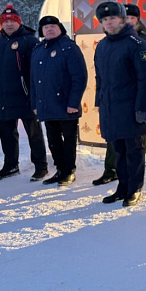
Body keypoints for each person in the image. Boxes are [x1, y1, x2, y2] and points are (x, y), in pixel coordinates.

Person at [92, 3, 146, 186]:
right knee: (118, 150)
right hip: (110, 108)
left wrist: (142, 109)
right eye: (105, 19)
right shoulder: (102, 45)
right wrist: (99, 102)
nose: (109, 22)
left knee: (134, 151)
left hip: (131, 108)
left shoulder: (137, 44)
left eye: (113, 18)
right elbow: (100, 78)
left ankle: (134, 189)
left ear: (122, 19)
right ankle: (122, 187)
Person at [0, 4, 49, 181]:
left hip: (25, 96)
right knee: (6, 133)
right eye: (5, 21)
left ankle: (41, 165)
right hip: (3, 96)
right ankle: (11, 165)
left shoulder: (30, 41)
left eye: (13, 21)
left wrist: (35, 95)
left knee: (34, 133)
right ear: (1, 23)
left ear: (19, 22)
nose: (9, 24)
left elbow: (37, 71)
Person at [30, 16, 88, 186]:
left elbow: (79, 77)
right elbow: (33, 80)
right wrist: (35, 104)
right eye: (45, 27)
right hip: (46, 105)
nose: (49, 29)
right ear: (41, 31)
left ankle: (69, 171)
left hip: (65, 105)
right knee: (53, 141)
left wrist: (73, 103)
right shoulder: (38, 49)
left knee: (68, 140)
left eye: (53, 26)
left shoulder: (69, 47)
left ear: (60, 28)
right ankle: (60, 170)